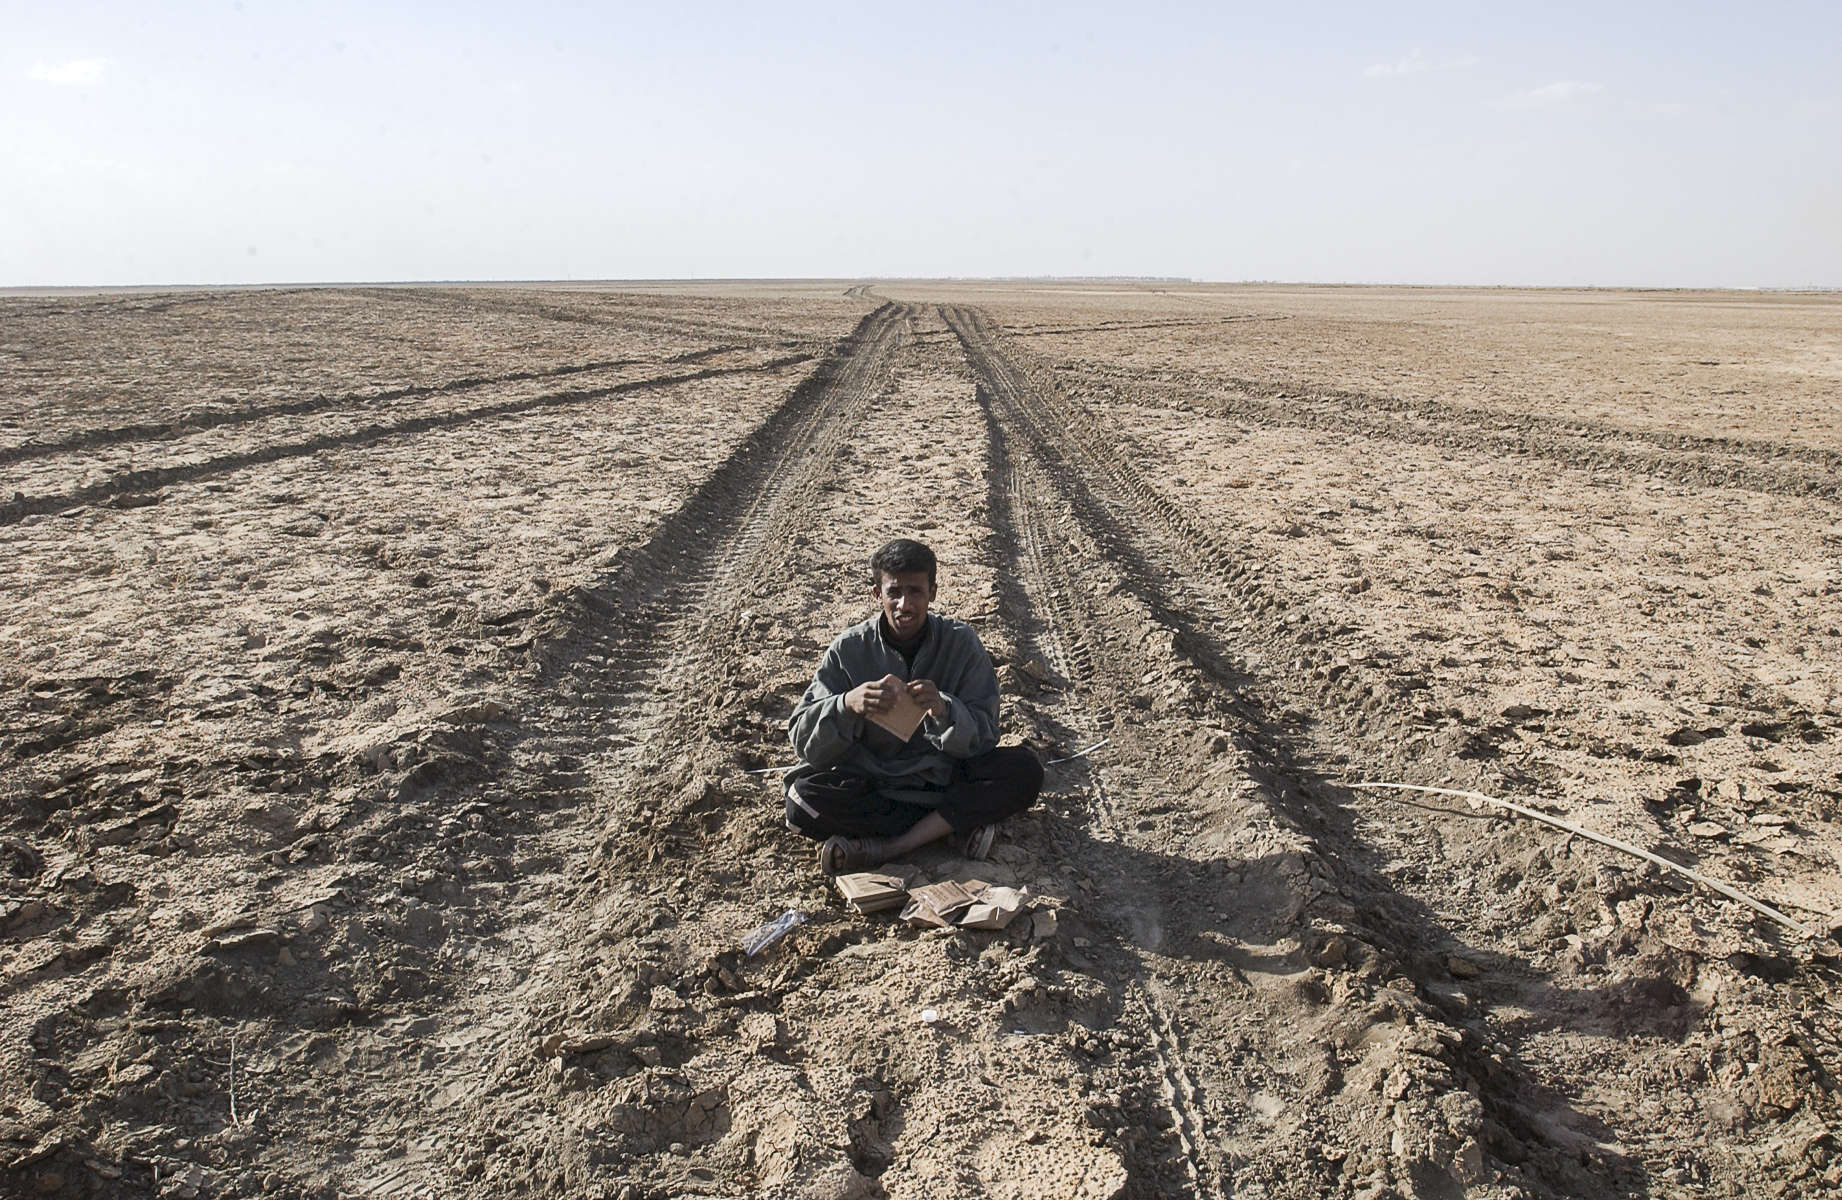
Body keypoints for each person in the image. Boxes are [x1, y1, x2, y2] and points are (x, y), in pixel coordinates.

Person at [785, 538, 1043, 875]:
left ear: (933, 592)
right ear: (877, 594)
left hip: (943, 779)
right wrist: (846, 705)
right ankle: (948, 828)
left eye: (915, 592)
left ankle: (893, 846)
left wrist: (945, 711)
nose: (904, 605)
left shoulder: (960, 644)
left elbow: (985, 735)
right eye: (894, 592)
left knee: (1024, 770)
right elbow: (804, 741)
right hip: (875, 784)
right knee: (801, 801)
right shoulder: (848, 650)